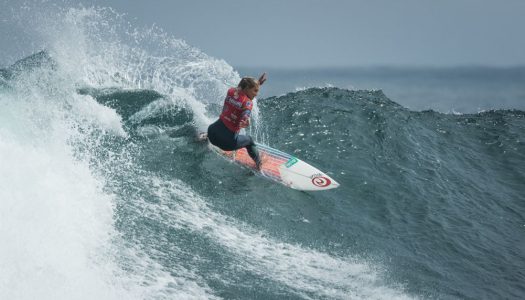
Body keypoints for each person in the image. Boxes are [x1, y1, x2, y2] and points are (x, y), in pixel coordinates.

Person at [207, 73, 267, 169]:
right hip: (226, 143)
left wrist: (257, 83)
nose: (257, 94)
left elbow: (240, 88)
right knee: (250, 141)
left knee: (227, 129)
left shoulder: (231, 91)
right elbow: (246, 113)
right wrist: (245, 120)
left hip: (211, 133)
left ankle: (204, 137)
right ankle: (259, 165)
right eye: (255, 90)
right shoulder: (247, 102)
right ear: (247, 88)